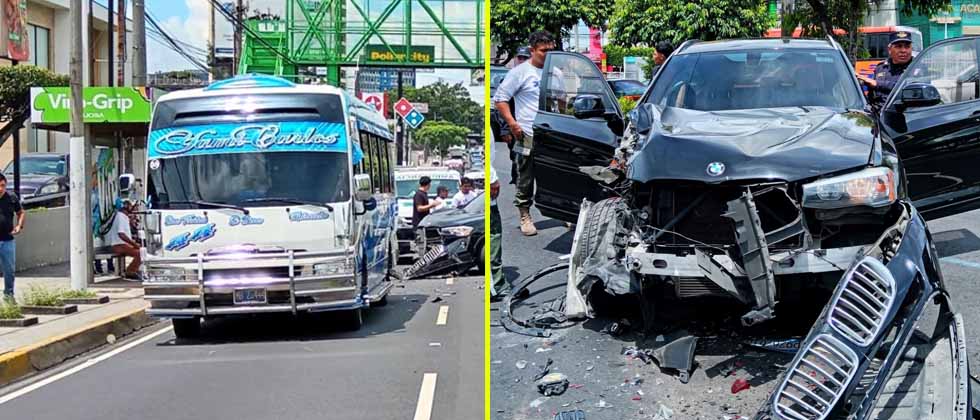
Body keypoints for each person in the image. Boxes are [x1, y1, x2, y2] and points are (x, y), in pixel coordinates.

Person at [493, 30, 556, 237]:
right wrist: (512, 124)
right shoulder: (520, 72)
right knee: (525, 175)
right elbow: (500, 99)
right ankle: (525, 214)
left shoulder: (556, 73)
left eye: (550, 50)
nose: (547, 54)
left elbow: (562, 101)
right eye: (543, 50)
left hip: (551, 133)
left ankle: (559, 211)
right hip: (527, 133)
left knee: (554, 173)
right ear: (532, 50)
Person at [857, 31, 913, 109]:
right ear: (889, 50)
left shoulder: (917, 67)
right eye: (898, 46)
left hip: (906, 112)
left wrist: (877, 84)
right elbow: (872, 94)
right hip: (879, 112)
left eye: (907, 47)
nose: (903, 50)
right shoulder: (881, 68)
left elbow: (905, 88)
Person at [0, 174, 23, 299]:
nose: (0, 189)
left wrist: (19, 226)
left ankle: (9, 295)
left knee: (9, 270)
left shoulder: (11, 197)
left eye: (3, 185)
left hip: (7, 240)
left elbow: (20, 213)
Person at [109, 199, 142, 279]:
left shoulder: (124, 217)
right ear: (126, 206)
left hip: (123, 244)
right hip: (119, 245)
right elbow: (121, 234)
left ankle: (134, 270)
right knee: (140, 253)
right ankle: (130, 271)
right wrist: (134, 244)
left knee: (142, 251)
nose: (134, 208)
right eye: (132, 206)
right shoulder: (120, 216)